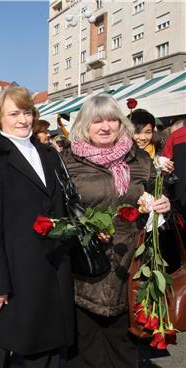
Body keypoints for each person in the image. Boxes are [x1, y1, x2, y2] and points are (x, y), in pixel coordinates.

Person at [62, 94, 171, 368]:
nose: (105, 126)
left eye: (112, 119)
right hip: (84, 272)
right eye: (97, 120)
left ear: (121, 123)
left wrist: (163, 203)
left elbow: (156, 198)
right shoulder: (66, 162)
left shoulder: (139, 160)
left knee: (124, 352)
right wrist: (83, 229)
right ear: (84, 125)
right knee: (82, 350)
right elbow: (57, 212)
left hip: (130, 268)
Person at [0, 86, 73, 368]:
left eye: (27, 112)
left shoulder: (49, 154)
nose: (22, 120)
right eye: (14, 113)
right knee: (10, 348)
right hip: (15, 270)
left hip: (52, 266)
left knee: (48, 349)